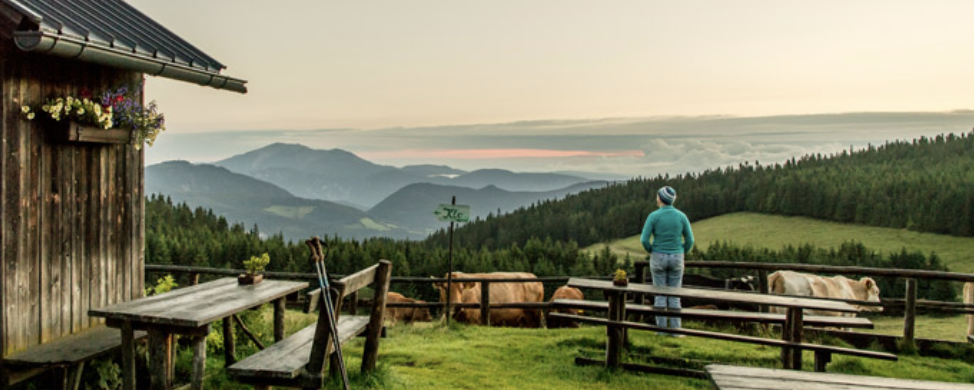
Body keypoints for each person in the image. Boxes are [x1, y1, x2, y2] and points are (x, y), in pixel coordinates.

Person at [640, 185, 694, 336]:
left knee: (660, 295)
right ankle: (676, 331)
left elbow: (644, 239)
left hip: (658, 256)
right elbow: (690, 239)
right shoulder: (681, 216)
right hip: (677, 256)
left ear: (661, 198)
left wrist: (652, 250)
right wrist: (682, 250)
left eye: (657, 196)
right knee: (675, 295)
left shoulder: (653, 216)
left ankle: (661, 331)